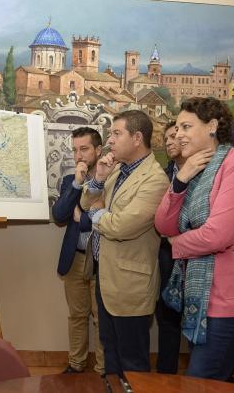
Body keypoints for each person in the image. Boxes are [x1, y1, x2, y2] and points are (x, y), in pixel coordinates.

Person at [155, 97, 234, 381]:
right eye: (177, 127)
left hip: (233, 296)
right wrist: (180, 179)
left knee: (203, 379)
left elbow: (218, 235)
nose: (178, 134)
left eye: (186, 126)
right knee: (213, 378)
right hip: (200, 294)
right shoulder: (191, 169)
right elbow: (163, 223)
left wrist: (177, 243)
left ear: (212, 126)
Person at [81, 110, 169, 377]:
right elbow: (85, 202)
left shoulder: (156, 179)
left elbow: (121, 227)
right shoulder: (116, 168)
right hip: (105, 278)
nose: (110, 140)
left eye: (116, 133)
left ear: (137, 138)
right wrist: (98, 178)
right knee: (110, 356)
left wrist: (97, 214)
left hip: (130, 286)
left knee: (133, 363)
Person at [52, 127, 105, 375]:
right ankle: (76, 364)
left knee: (101, 317)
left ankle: (103, 369)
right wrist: (76, 183)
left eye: (84, 149)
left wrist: (81, 215)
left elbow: (100, 217)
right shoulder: (68, 181)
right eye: (74, 150)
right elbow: (60, 216)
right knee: (77, 315)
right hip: (75, 257)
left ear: (98, 150)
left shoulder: (110, 179)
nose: (79, 155)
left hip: (101, 259)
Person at [155, 120, 184, 374]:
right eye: (166, 139)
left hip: (201, 258)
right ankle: (166, 377)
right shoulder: (161, 176)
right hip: (166, 257)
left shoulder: (209, 175)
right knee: (167, 320)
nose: (170, 142)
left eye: (175, 136)